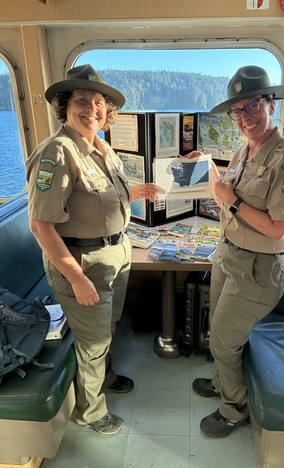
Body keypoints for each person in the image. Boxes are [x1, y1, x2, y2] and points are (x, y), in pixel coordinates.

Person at [26, 64, 164, 436]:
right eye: (81, 100)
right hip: (82, 262)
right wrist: (77, 279)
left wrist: (139, 192)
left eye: (99, 102)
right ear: (64, 106)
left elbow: (100, 199)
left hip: (116, 254)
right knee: (93, 339)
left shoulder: (101, 147)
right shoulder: (58, 152)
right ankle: (90, 411)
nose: (92, 108)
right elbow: (41, 225)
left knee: (107, 327)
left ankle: (105, 375)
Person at [187, 65, 284, 438]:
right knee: (215, 328)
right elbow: (225, 187)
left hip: (259, 268)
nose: (244, 117)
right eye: (237, 111)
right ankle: (225, 382)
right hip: (230, 254)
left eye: (252, 105)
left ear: (271, 105)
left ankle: (234, 408)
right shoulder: (244, 151)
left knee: (223, 339)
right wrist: (205, 164)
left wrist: (232, 201)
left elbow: (277, 228)